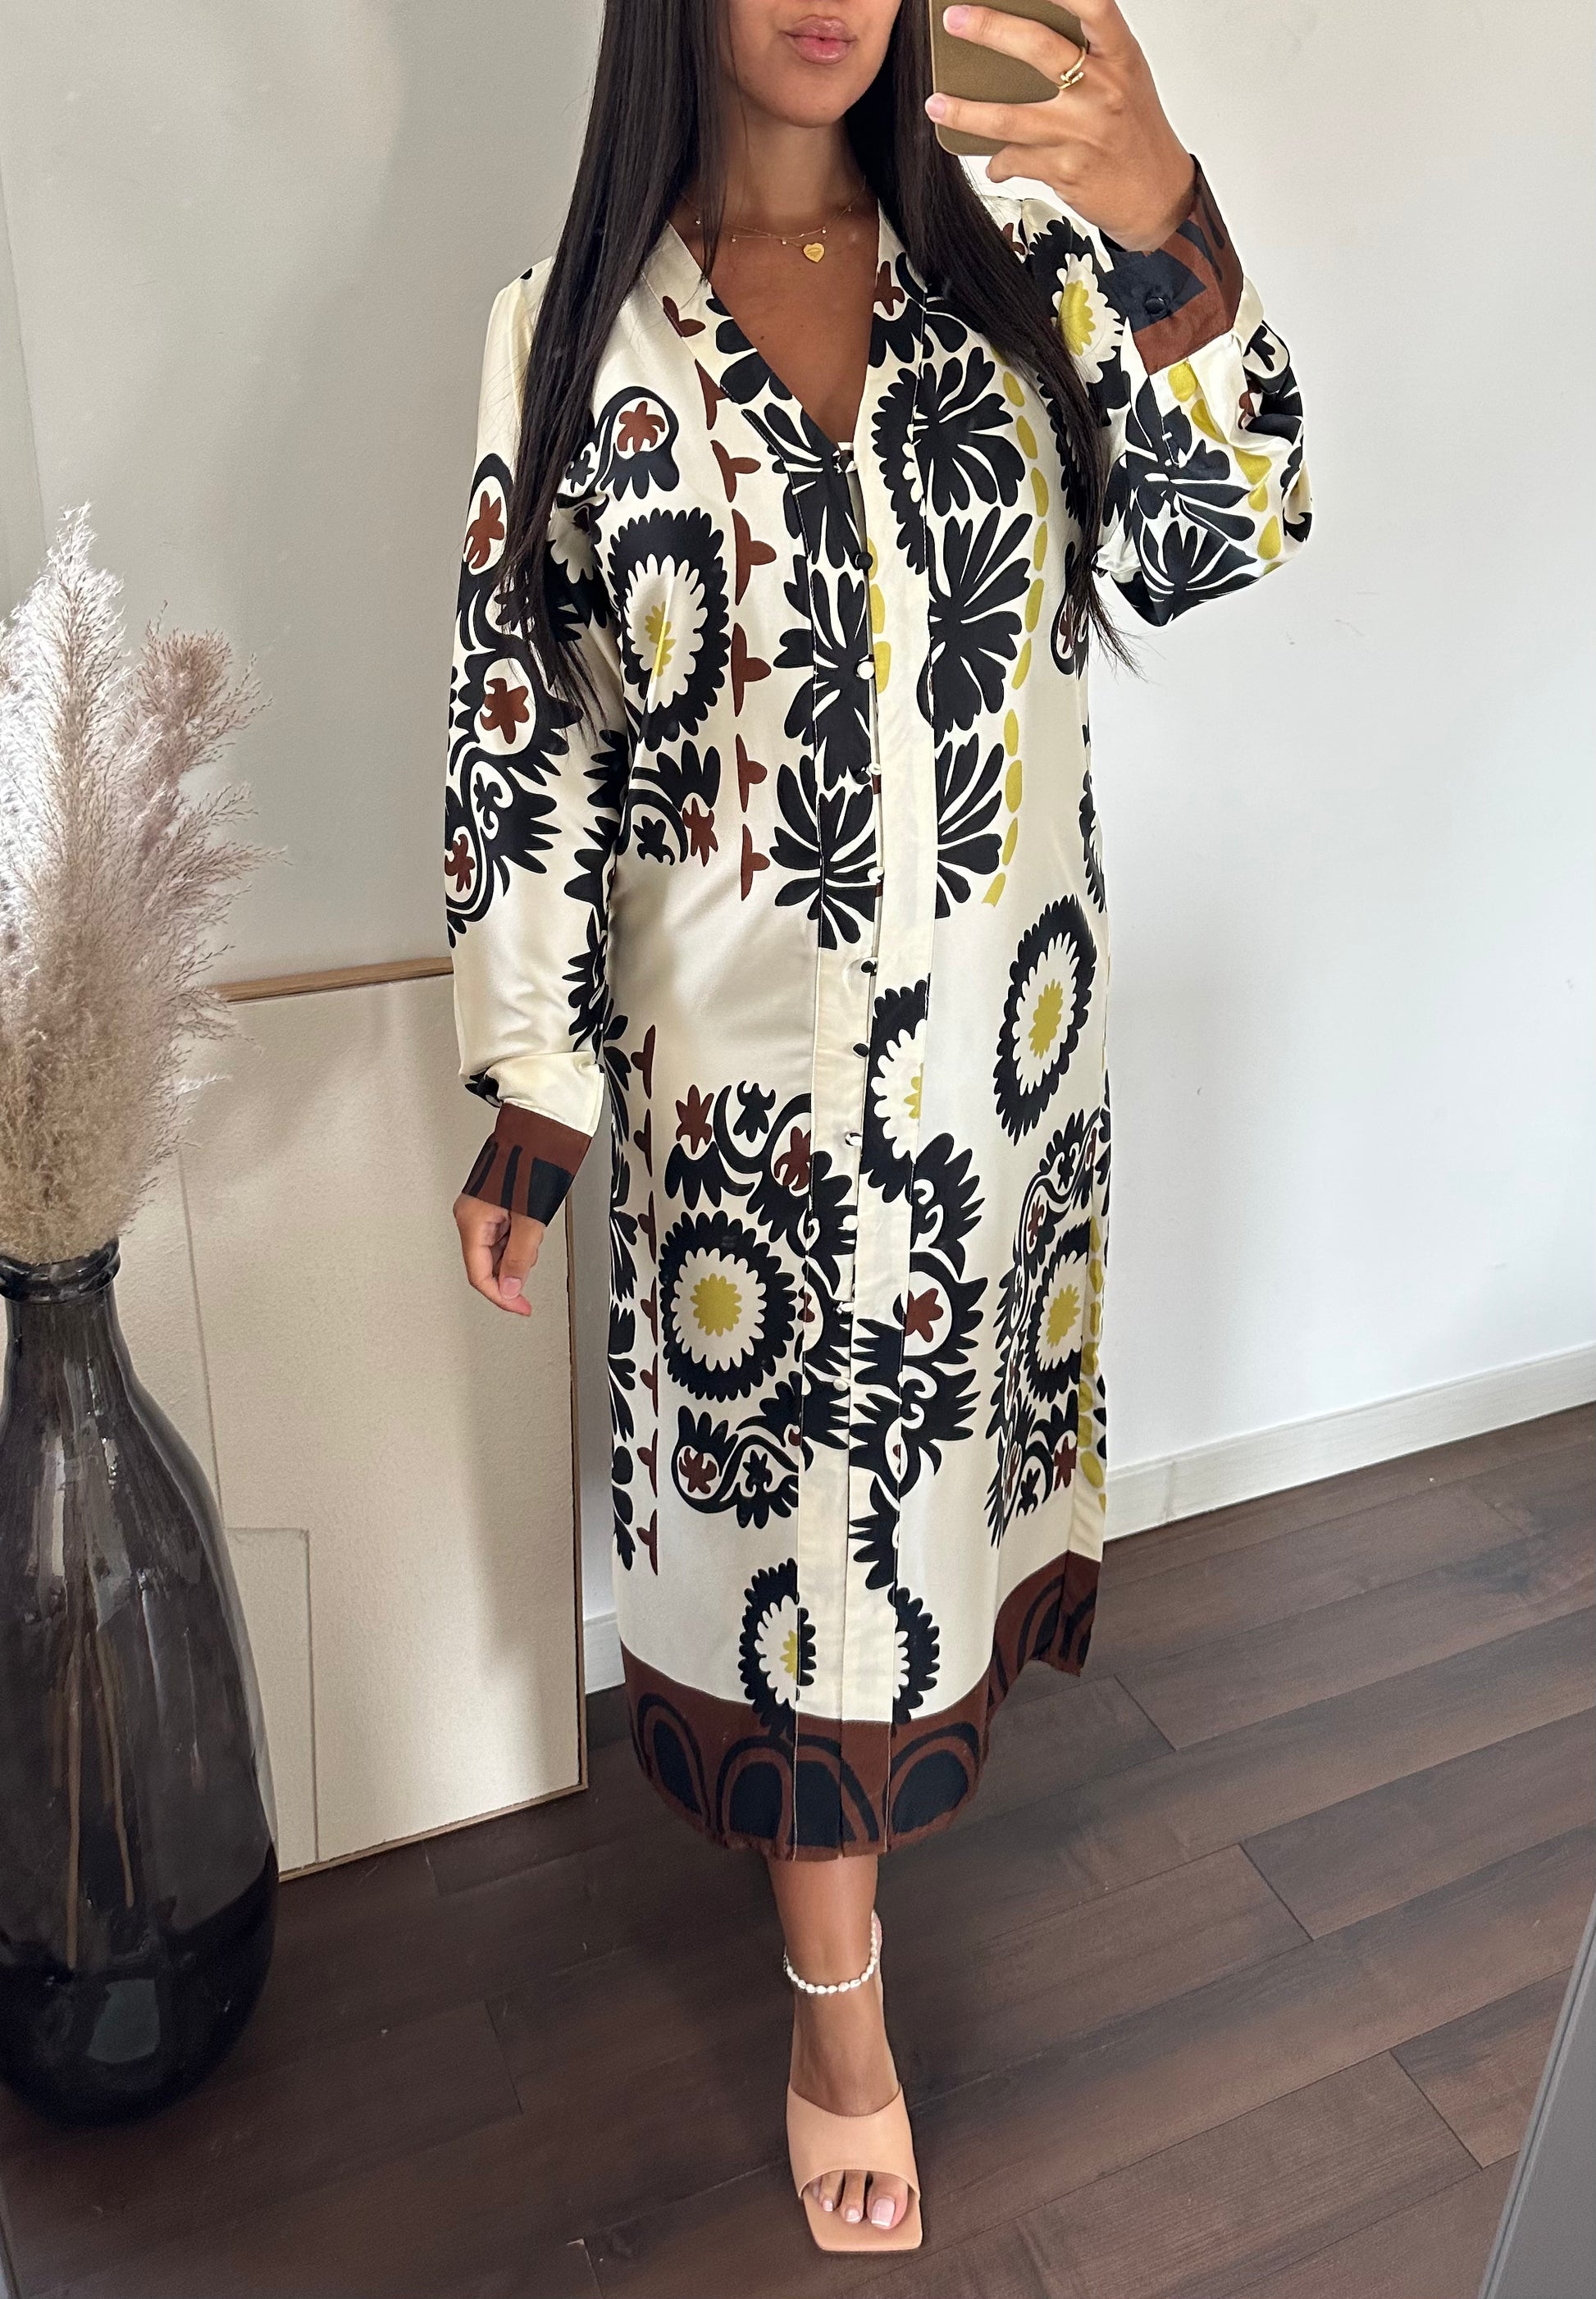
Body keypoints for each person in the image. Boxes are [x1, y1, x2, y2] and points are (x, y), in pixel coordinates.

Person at [447, 0, 1310, 2253]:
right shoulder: (571, 336)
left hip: (996, 1081)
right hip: (735, 1117)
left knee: (927, 1529)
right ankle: (839, 2010)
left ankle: (864, 1900)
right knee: (795, 1568)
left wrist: (1165, 214)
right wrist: (533, 1082)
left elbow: (1233, 534)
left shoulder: (1027, 275)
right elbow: (525, 723)